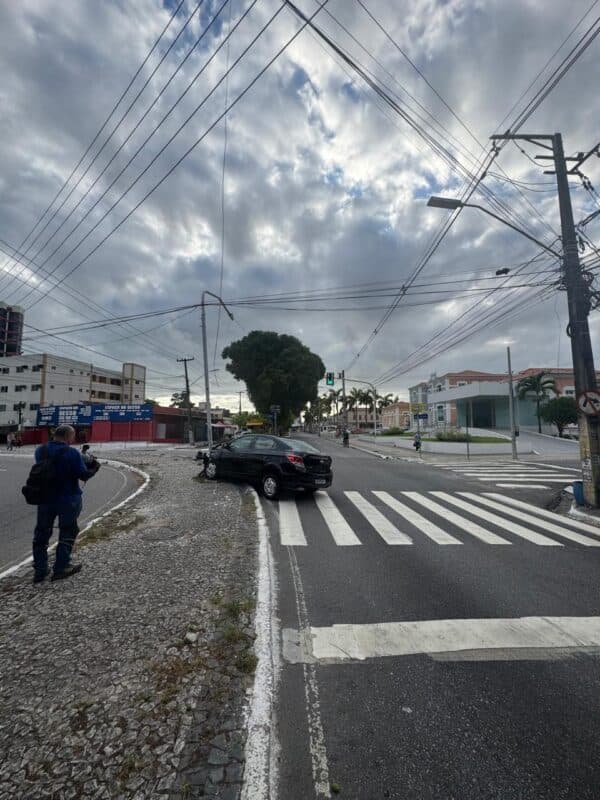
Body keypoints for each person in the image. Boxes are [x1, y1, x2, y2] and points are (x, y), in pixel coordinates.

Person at [32, 425, 100, 584]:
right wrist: (94, 467)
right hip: (68, 499)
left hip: (44, 499)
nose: (73, 440)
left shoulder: (40, 451)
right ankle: (61, 567)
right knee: (68, 531)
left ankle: (40, 571)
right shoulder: (72, 453)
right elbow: (83, 474)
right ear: (69, 436)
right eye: (73, 436)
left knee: (41, 534)